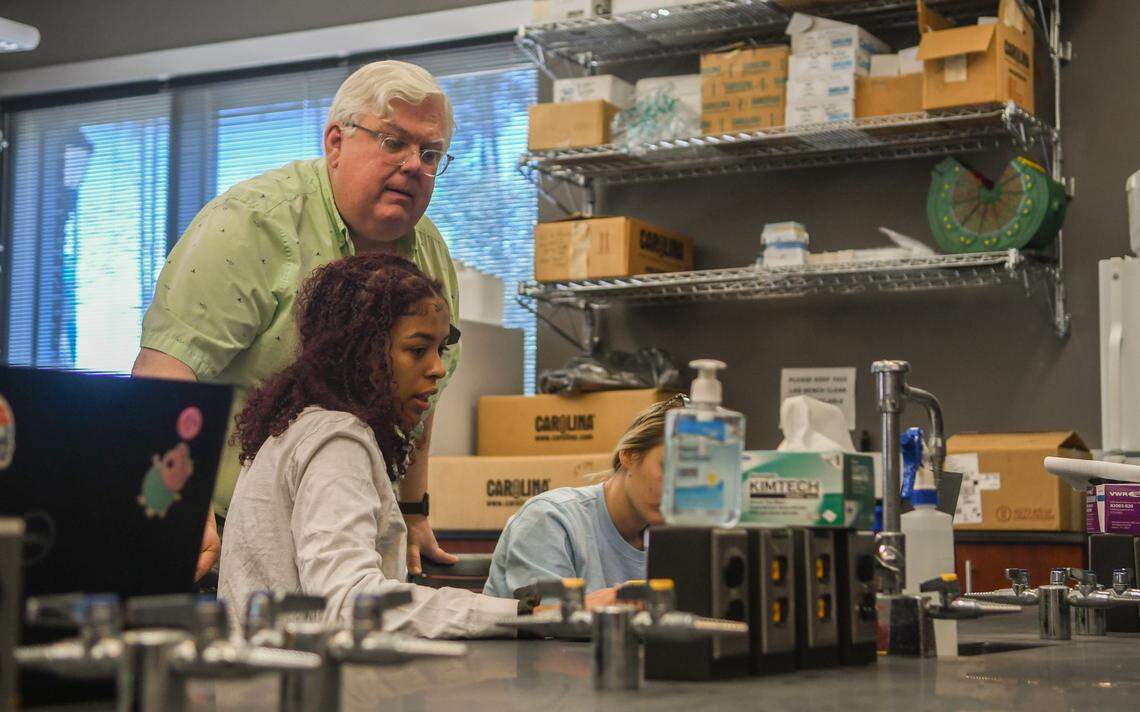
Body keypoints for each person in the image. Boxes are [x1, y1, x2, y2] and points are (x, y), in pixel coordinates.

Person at [132, 60, 461, 579]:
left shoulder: (431, 254)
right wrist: (181, 505)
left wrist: (413, 509)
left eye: (430, 153)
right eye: (393, 142)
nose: (414, 165)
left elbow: (421, 397)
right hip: (221, 523)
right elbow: (162, 374)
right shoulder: (253, 224)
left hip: (346, 528)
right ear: (335, 142)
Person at [218, 253, 515, 636]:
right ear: (361, 351)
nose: (438, 369)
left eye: (440, 350)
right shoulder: (336, 442)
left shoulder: (292, 427)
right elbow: (350, 603)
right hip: (298, 687)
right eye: (417, 349)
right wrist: (517, 615)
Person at [483, 395, 684, 599]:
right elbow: (543, 620)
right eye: (669, 468)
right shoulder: (549, 518)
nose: (679, 489)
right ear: (630, 454)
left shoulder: (671, 538)